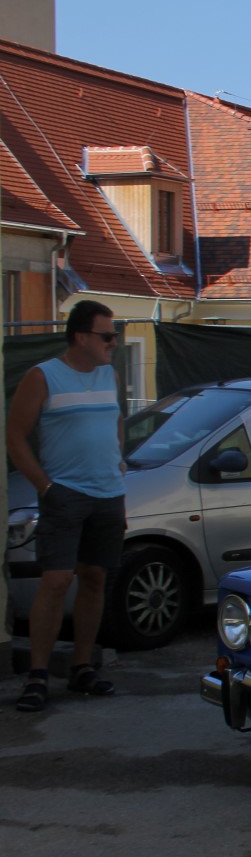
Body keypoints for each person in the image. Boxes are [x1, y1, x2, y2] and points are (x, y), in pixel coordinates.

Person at [6, 300, 127, 711]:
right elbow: (15, 436)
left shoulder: (109, 373)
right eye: (107, 336)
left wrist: (118, 458)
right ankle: (38, 677)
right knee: (56, 582)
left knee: (94, 577)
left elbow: (115, 422)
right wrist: (45, 486)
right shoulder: (43, 376)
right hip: (64, 494)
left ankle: (82, 668)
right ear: (81, 337)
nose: (114, 342)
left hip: (109, 493)